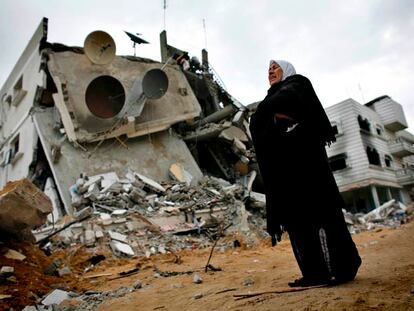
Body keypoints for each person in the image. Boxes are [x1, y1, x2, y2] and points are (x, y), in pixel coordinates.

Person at [249, 60, 361, 287]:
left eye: (275, 67)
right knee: (298, 224)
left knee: (323, 218)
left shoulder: (298, 84)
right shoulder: (270, 98)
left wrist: (274, 116)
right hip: (287, 177)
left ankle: (341, 269)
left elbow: (288, 103)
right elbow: (256, 122)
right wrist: (276, 118)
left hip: (310, 171)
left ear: (287, 70)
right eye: (268, 69)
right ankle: (314, 273)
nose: (270, 71)